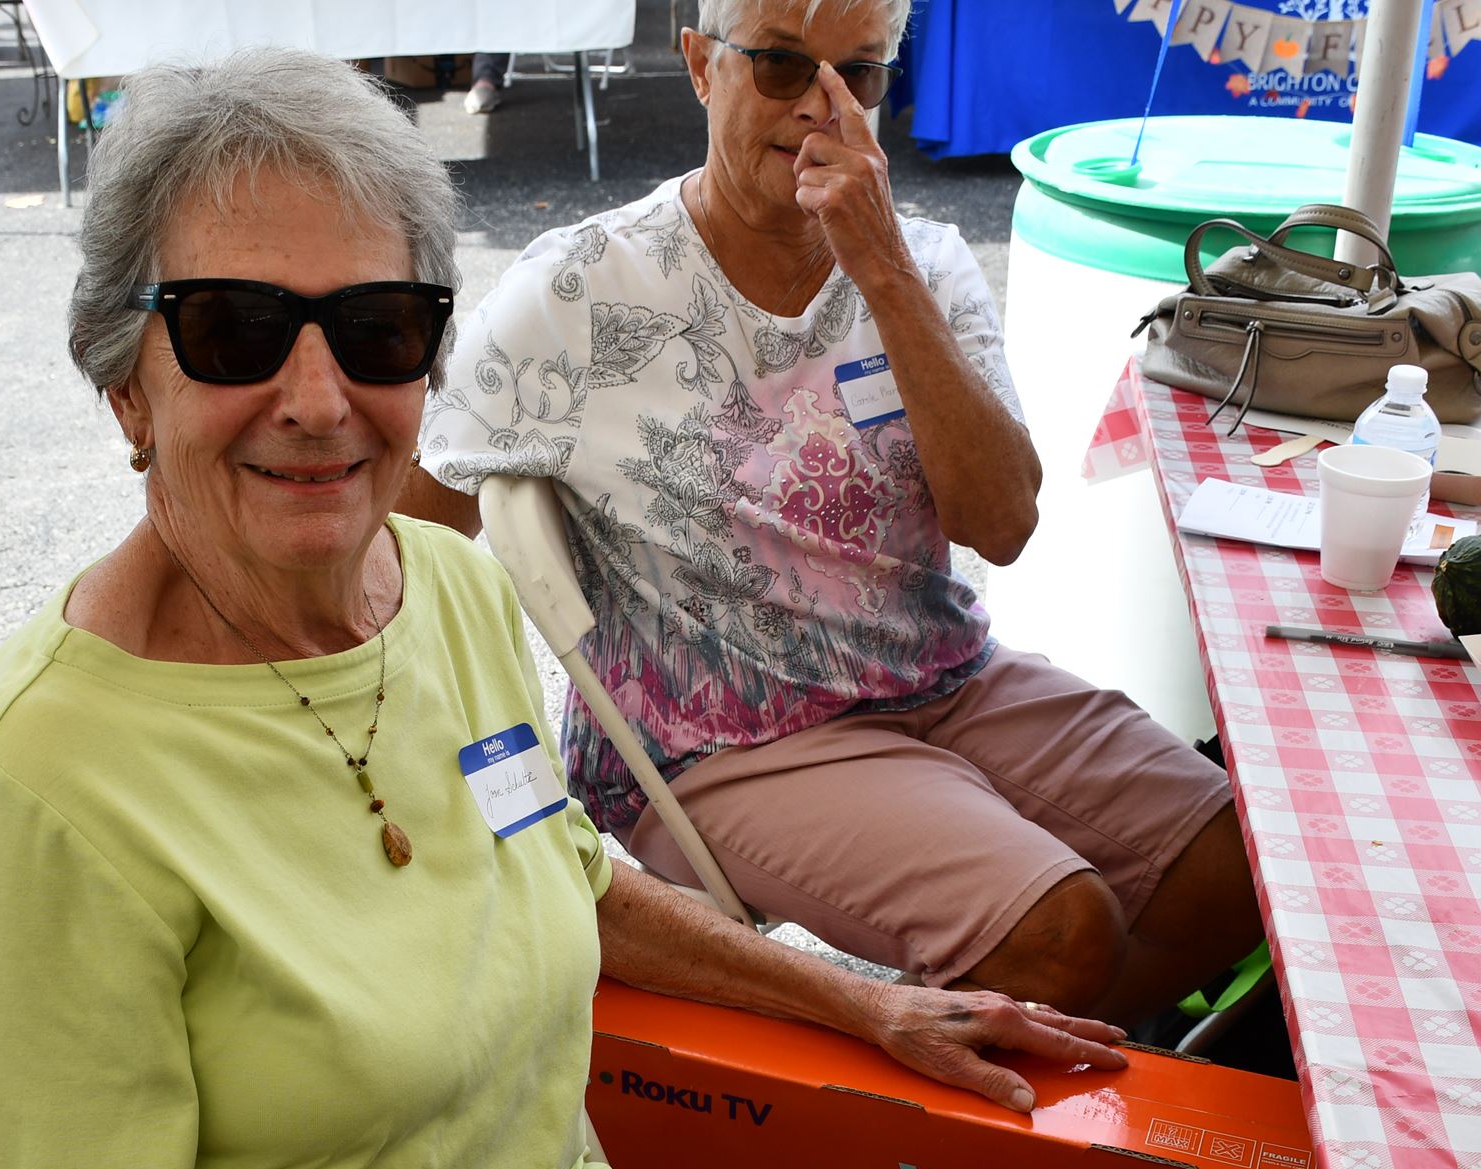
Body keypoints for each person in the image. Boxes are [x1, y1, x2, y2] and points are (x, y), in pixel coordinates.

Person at [0, 47, 1119, 1169]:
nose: (319, 396)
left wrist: (859, 996)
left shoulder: (448, 589)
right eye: (236, 330)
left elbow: (560, 870)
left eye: (378, 329)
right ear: (127, 383)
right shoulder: (53, 776)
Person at [403, 0, 1263, 1028]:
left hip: (945, 676)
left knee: (1238, 865)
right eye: (779, 65)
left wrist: (882, 271)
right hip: (720, 741)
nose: (822, 105)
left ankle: (983, 1058)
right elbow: (406, 535)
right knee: (1059, 933)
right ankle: (919, 1062)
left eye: (858, 73)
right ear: (699, 67)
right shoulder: (577, 289)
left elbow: (1002, 524)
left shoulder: (923, 261)